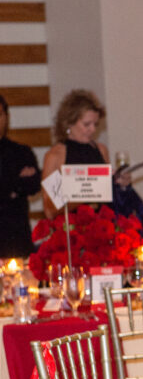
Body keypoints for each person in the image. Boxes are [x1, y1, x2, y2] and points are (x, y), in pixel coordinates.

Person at [41, 89, 109, 219]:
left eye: (96, 124)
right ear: (69, 122)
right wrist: (85, 195)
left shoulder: (101, 150)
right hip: (70, 231)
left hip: (100, 228)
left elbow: (108, 200)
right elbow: (50, 211)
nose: (93, 129)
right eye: (87, 124)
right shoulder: (55, 156)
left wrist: (120, 185)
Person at [0, 94, 41, 257]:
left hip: (16, 235)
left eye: (0, 114)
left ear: (6, 117)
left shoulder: (21, 152)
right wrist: (15, 183)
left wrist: (8, 185)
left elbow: (34, 185)